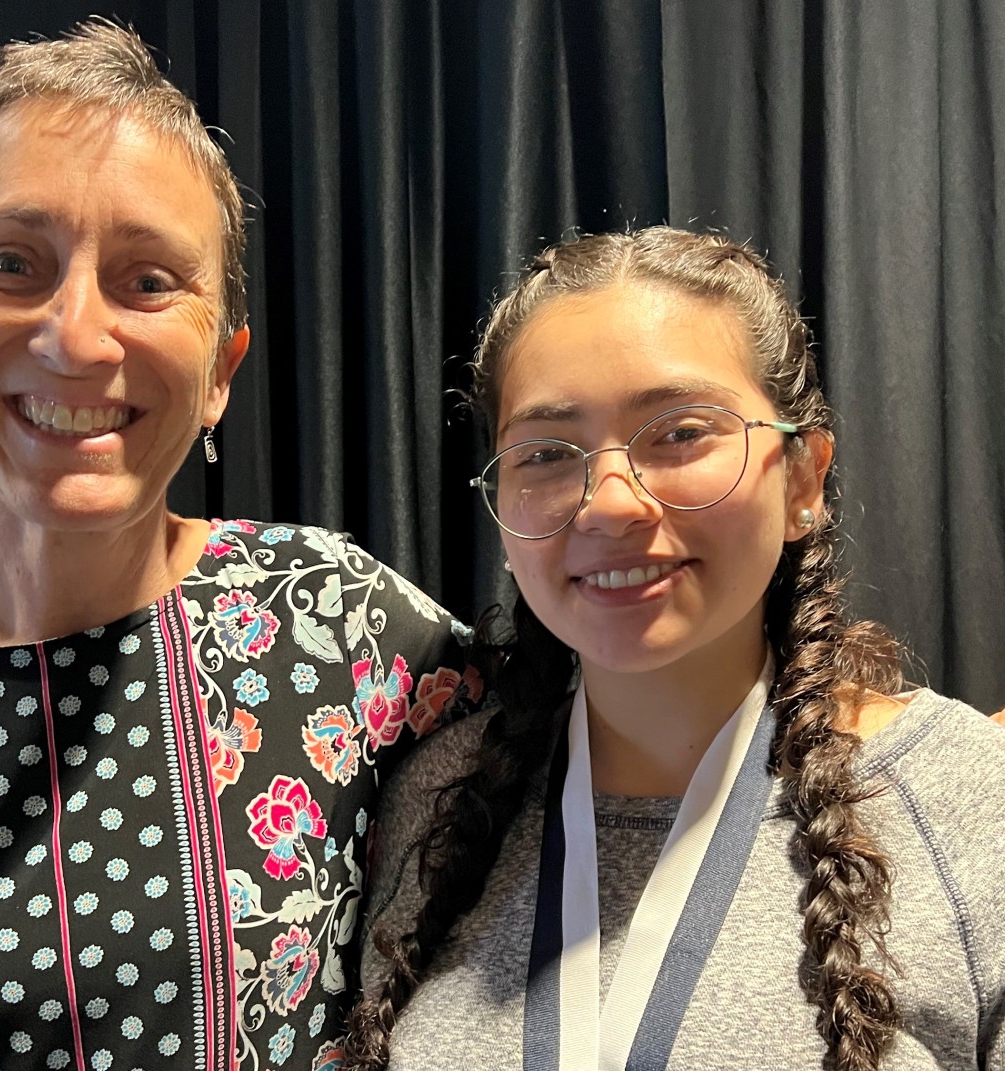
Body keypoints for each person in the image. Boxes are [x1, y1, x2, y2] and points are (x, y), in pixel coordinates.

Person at [0, 21, 479, 1071]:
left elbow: (604, 745)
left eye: (149, 280)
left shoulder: (338, 626)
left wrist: (817, 689)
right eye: (12, 263)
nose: (76, 334)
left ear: (219, 371)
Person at [350, 228, 1005, 1070]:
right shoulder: (435, 801)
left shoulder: (968, 802)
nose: (609, 502)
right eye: (548, 452)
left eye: (680, 432)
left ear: (801, 477)